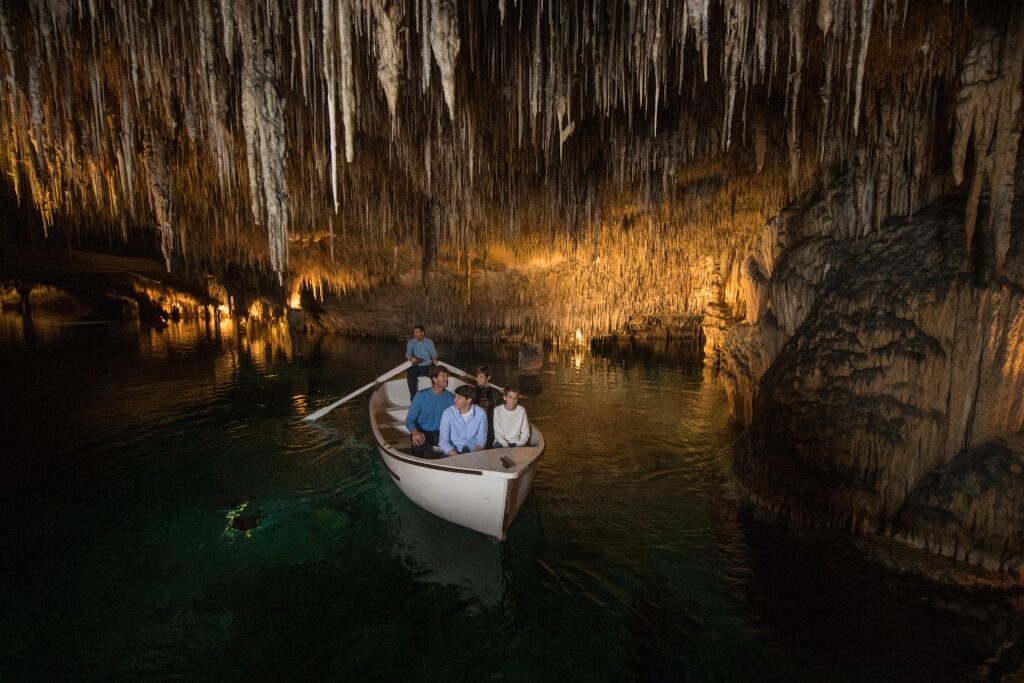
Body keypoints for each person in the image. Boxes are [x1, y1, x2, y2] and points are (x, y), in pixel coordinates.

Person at [405, 365, 454, 458]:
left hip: (441, 433)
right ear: (434, 379)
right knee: (417, 440)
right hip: (422, 432)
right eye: (443, 376)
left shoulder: (451, 398)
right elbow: (410, 419)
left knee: (455, 443)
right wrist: (414, 431)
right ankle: (417, 466)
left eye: (447, 376)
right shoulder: (421, 395)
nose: (446, 378)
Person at [439, 385, 487, 457]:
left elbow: (481, 439)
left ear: (468, 400)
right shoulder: (447, 413)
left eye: (459, 397)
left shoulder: (481, 413)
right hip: (453, 452)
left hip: (473, 452)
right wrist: (458, 458)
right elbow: (443, 442)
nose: (455, 400)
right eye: (455, 396)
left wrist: (474, 455)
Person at [405, 324, 438, 400]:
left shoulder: (429, 341)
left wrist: (434, 358)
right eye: (414, 332)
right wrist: (411, 357)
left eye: (417, 332)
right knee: (410, 374)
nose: (415, 334)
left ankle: (436, 396)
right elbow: (408, 352)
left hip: (428, 366)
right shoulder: (411, 342)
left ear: (422, 333)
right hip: (416, 365)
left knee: (436, 376)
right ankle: (413, 398)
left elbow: (433, 352)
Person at [473, 365, 503, 447]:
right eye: (477, 376)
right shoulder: (472, 392)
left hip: (490, 424)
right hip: (476, 425)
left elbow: (497, 412)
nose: (478, 379)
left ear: (488, 377)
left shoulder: (495, 393)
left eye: (481, 376)